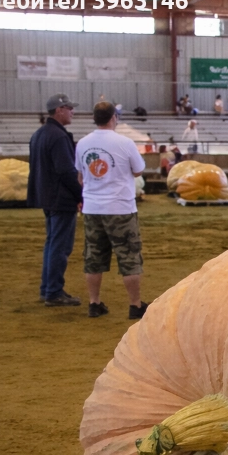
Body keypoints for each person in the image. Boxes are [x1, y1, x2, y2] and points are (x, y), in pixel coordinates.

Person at [74, 101, 149, 320]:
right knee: (129, 256)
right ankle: (135, 305)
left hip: (92, 208)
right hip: (120, 208)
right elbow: (139, 171)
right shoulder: (124, 143)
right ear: (113, 117)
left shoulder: (83, 143)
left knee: (93, 256)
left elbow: (80, 176)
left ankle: (94, 303)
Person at [26, 93, 83, 307]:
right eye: (69, 108)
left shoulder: (39, 134)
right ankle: (53, 291)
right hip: (61, 199)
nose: (72, 112)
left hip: (46, 197)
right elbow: (66, 170)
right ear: (59, 110)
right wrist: (80, 194)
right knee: (60, 246)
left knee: (51, 244)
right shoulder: (59, 137)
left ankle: (47, 288)